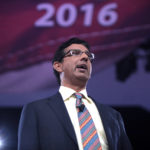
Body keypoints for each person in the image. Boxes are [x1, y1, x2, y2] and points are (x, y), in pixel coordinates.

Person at [18, 37, 132, 150]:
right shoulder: (36, 110)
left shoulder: (113, 116)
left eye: (89, 56)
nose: (85, 57)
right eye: (75, 53)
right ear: (58, 66)